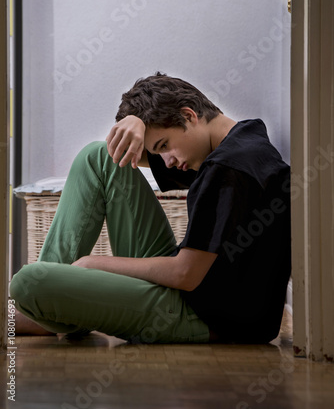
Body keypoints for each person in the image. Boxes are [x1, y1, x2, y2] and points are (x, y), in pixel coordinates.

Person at [10, 72, 291, 343]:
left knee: (28, 283)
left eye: (164, 145)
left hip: (204, 315)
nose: (166, 161)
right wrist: (135, 122)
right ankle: (50, 309)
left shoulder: (228, 170)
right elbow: (122, 152)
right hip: (190, 289)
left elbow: (186, 275)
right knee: (98, 157)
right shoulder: (241, 139)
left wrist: (93, 264)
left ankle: (48, 307)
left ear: (188, 115)